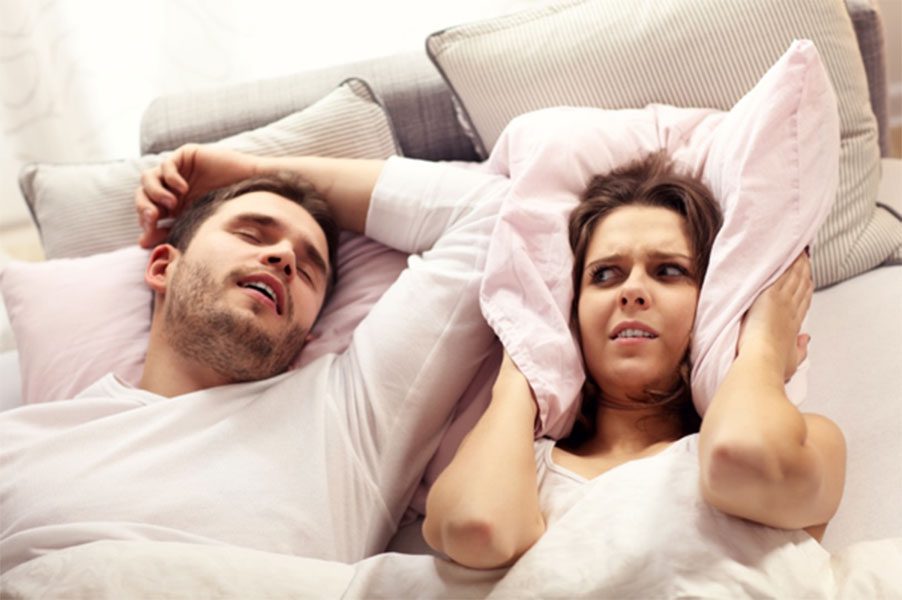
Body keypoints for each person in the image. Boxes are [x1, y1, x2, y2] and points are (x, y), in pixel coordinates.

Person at [0, 144, 507, 574]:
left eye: (308, 270)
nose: (284, 257)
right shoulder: (21, 447)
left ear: (308, 332)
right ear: (161, 267)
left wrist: (250, 171)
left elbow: (495, 213)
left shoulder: (346, 417)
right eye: (250, 234)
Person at [422, 151, 847, 574]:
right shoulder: (516, 465)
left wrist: (761, 346)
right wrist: (524, 356)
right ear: (573, 313)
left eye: (668, 271)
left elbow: (741, 457)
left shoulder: (809, 442)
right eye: (605, 275)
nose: (633, 291)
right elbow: (476, 529)